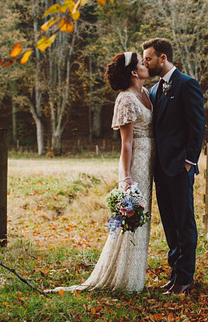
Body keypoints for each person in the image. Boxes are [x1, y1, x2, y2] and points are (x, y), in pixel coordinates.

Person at [50, 51, 153, 292]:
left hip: (149, 163)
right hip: (134, 165)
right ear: (134, 72)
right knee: (130, 219)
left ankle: (134, 276)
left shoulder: (146, 93)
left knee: (143, 219)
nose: (146, 65)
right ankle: (121, 278)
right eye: (141, 63)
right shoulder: (126, 99)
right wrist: (127, 177)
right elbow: (126, 143)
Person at [142, 37, 205, 296]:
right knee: (169, 223)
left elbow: (197, 124)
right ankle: (175, 273)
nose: (145, 63)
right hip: (161, 169)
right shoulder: (155, 91)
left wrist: (189, 161)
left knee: (184, 222)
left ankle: (186, 277)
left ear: (163, 58)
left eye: (149, 58)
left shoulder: (187, 84)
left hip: (180, 167)